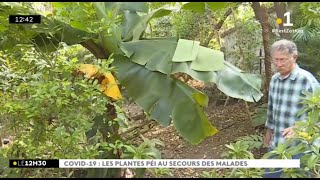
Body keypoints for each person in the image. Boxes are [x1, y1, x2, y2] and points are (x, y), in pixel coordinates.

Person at [263, 39, 319, 178]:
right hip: (277, 146)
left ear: (294, 57)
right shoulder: (275, 79)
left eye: (283, 59)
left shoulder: (306, 79)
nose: (278, 64)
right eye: (276, 60)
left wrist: (299, 128)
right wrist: (268, 131)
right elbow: (271, 108)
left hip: (300, 147)